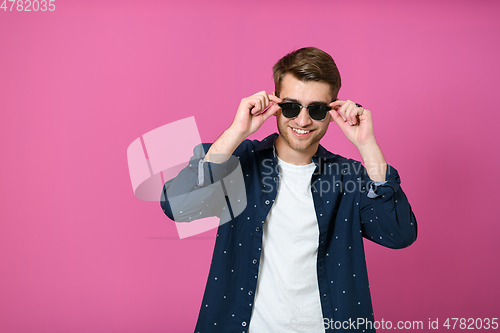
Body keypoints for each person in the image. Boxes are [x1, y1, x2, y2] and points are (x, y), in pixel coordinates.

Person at [161, 47, 417, 333]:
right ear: (276, 105)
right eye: (292, 107)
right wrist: (236, 132)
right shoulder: (238, 164)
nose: (303, 121)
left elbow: (399, 234)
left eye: (317, 109)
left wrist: (367, 145)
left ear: (332, 112)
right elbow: (177, 206)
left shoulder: (350, 177)